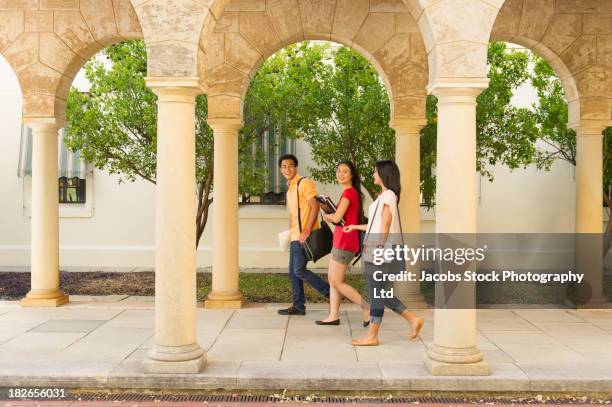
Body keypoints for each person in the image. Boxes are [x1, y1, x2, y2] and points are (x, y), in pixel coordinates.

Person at [343, 160, 424, 346]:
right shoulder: (384, 196)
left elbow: (386, 224)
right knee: (381, 293)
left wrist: (378, 248)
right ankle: (413, 319)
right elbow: (376, 224)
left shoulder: (388, 195)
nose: (373, 175)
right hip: (377, 248)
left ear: (383, 174)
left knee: (377, 294)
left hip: (379, 251)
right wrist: (355, 226)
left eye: (375, 172)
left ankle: (372, 335)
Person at [315, 161, 370, 326]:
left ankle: (368, 309)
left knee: (337, 281)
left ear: (352, 175)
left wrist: (327, 216)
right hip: (341, 240)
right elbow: (341, 219)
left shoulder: (348, 194)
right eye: (339, 171)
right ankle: (333, 316)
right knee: (332, 280)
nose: (341, 174)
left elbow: (337, 218)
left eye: (345, 171)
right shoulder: (350, 193)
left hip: (345, 242)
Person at [278, 154, 330, 315]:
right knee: (293, 272)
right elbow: (294, 213)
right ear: (280, 169)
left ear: (296, 167)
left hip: (303, 235)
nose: (287, 169)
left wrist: (307, 229)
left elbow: (314, 206)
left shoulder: (304, 183)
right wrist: (289, 231)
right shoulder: (290, 187)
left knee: (299, 270)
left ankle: (329, 292)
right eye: (284, 166)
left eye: (290, 165)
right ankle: (298, 306)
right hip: (295, 236)